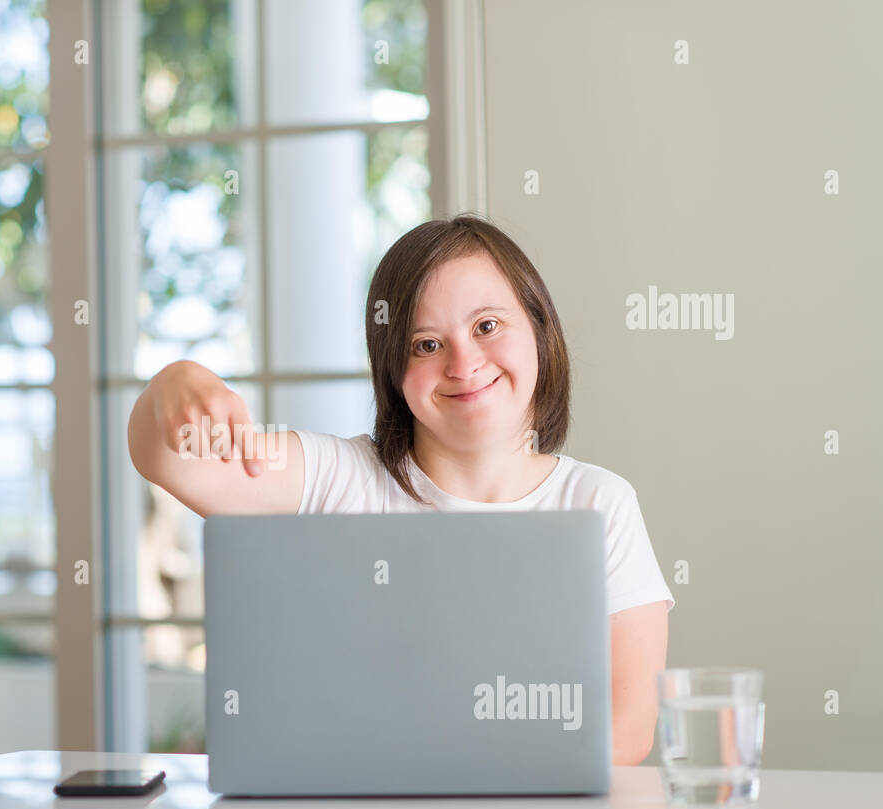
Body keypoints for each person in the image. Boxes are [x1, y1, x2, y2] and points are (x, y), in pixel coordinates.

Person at [128, 214, 673, 765]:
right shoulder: (337, 476)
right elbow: (170, 459)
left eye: (487, 327)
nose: (464, 363)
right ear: (394, 371)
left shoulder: (601, 502)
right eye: (427, 343)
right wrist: (177, 381)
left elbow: (628, 730)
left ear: (539, 329)